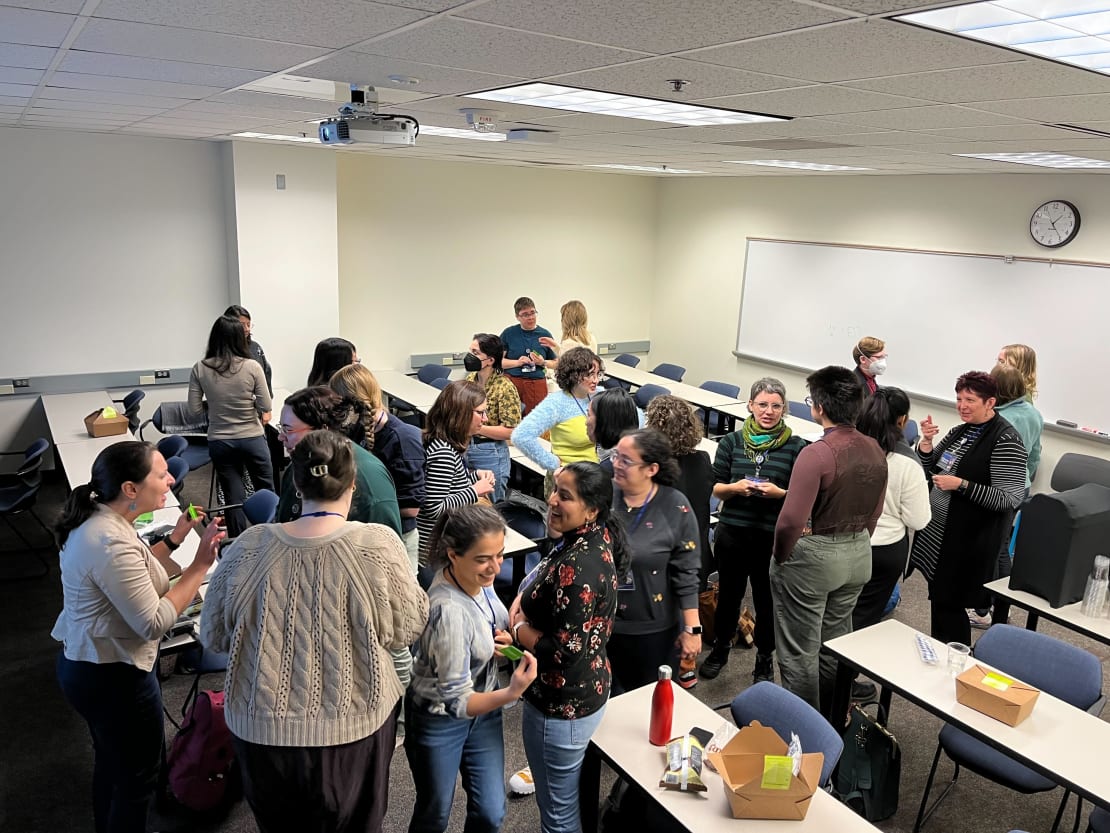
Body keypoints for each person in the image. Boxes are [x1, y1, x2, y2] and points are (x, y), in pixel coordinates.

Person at [200, 430, 429, 833]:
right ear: (353, 484)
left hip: (262, 731)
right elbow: (406, 628)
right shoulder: (376, 545)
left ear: (295, 482)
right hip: (354, 727)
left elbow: (214, 638)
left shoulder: (250, 546)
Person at [53, 441, 225, 833]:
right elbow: (152, 621)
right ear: (130, 489)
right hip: (111, 676)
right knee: (135, 781)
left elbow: (141, 578)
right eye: (160, 474)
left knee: (114, 764)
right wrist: (199, 567)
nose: (171, 480)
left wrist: (177, 540)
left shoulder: (105, 521)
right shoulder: (109, 541)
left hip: (94, 668)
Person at [405, 505, 538, 833]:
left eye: (500, 554)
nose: (495, 567)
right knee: (434, 813)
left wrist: (499, 637)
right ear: (453, 554)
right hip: (442, 719)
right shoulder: (447, 612)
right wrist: (512, 691)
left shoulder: (477, 579)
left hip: (482, 711)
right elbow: (458, 702)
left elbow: (485, 617)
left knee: (491, 811)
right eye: (483, 559)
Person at [509, 462, 623, 833]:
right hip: (586, 689)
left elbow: (563, 649)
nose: (553, 501)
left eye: (566, 496)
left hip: (560, 706)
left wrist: (519, 626)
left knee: (558, 817)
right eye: (555, 489)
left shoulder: (579, 566)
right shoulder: (591, 538)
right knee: (568, 802)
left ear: (592, 509)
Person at [771, 366, 887, 713]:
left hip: (816, 558)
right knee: (835, 642)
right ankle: (834, 715)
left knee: (799, 649)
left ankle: (804, 729)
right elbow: (875, 514)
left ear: (818, 407)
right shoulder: (875, 449)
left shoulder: (816, 454)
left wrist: (781, 556)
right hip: (858, 554)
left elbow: (790, 520)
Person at [700, 378, 807, 685]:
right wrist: (735, 488)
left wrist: (779, 493)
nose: (769, 411)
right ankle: (720, 649)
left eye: (776, 406)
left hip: (771, 537)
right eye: (762, 404)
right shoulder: (732, 443)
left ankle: (763, 659)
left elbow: (799, 494)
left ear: (784, 409)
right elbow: (716, 487)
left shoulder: (795, 446)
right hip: (733, 533)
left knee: (766, 600)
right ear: (750, 405)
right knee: (729, 597)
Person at [908, 371, 1027, 646]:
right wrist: (925, 445)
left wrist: (962, 485)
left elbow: (1009, 498)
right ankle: (942, 654)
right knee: (941, 601)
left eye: (970, 399)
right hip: (939, 537)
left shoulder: (1006, 440)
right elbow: (930, 470)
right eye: (959, 398)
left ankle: (955, 662)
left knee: (950, 605)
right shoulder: (960, 431)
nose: (962, 405)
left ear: (990, 402)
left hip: (967, 542)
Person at [850, 388, 931, 697]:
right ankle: (844, 681)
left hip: (843, 543)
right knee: (864, 616)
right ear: (902, 420)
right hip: (883, 552)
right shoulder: (907, 463)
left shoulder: (848, 448)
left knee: (835, 611)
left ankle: (824, 672)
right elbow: (919, 520)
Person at [608, 428, 701, 695]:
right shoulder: (604, 496)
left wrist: (692, 630)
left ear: (651, 469)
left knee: (646, 706)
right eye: (616, 455)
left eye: (625, 460)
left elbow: (687, 572)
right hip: (602, 623)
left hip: (653, 631)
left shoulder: (675, 506)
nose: (616, 464)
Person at [644, 396, 712, 689]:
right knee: (688, 607)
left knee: (661, 613)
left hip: (662, 554)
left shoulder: (653, 468)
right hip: (696, 550)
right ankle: (687, 666)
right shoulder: (702, 460)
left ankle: (662, 667)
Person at [330, 364, 425, 571]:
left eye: (337, 402)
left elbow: (412, 508)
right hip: (365, 532)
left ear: (353, 402)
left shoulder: (403, 439)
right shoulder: (356, 428)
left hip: (396, 538)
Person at [188, 314, 274, 536]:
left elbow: (195, 410)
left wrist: (218, 404)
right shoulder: (252, 367)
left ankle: (237, 539)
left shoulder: (200, 368)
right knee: (266, 490)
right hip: (252, 437)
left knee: (232, 495)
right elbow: (266, 405)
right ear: (239, 338)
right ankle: (270, 535)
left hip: (220, 439)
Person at [275, 386, 402, 536]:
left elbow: (385, 548)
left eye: (288, 430)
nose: (280, 437)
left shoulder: (369, 479)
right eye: (281, 429)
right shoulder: (300, 464)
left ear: (322, 430)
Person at [986, 364, 1043, 627]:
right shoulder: (1033, 413)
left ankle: (991, 608)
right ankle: (1001, 607)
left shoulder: (1000, 417)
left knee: (994, 550)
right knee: (1001, 546)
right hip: (1020, 486)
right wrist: (1023, 479)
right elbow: (1035, 455)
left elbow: (992, 459)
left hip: (999, 489)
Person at [418, 380, 496, 563]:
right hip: (435, 552)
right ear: (460, 413)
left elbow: (448, 484)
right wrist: (475, 491)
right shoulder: (443, 453)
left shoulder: (443, 443)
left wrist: (473, 476)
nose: (485, 419)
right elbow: (434, 508)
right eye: (480, 412)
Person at [511, 346, 601, 485]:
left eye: (598, 374)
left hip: (594, 475)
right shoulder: (557, 403)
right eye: (589, 375)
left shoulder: (598, 395)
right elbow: (521, 436)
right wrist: (552, 463)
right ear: (574, 375)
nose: (596, 380)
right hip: (567, 479)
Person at [463, 333, 521, 504]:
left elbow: (510, 431)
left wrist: (475, 427)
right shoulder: (470, 380)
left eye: (476, 353)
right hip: (467, 447)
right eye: (470, 351)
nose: (470, 356)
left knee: (492, 508)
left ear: (489, 360)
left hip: (490, 452)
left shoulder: (505, 388)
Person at [499, 297, 557, 416]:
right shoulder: (509, 334)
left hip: (536, 383)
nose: (530, 317)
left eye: (532, 313)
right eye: (525, 314)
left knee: (536, 421)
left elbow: (556, 363)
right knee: (511, 420)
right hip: (512, 383)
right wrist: (517, 363)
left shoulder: (545, 334)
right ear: (517, 317)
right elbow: (497, 362)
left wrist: (542, 362)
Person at [588, 387, 639, 474]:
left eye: (588, 415)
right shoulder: (637, 454)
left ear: (603, 421)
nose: (586, 422)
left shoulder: (609, 471)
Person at [225, 304, 272, 395]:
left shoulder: (255, 348)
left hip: (258, 403)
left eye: (248, 325)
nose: (247, 329)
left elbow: (267, 372)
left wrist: (267, 398)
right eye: (242, 325)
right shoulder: (222, 350)